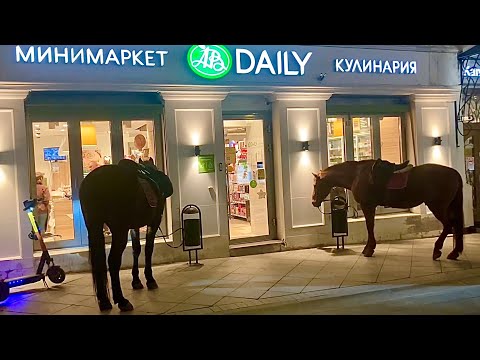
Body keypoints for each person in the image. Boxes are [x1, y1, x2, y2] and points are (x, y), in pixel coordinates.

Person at [34, 172, 51, 236]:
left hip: (33, 208)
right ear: (41, 179)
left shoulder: (31, 188)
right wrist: (44, 204)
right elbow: (47, 198)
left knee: (34, 226)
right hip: (42, 209)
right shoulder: (44, 188)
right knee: (41, 226)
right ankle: (41, 240)